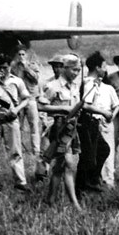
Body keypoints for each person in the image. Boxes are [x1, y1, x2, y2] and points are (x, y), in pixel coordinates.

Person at [38, 54, 83, 211]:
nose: (76, 73)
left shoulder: (76, 86)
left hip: (72, 128)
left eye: (78, 70)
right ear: (65, 68)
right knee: (70, 164)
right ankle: (75, 204)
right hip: (58, 129)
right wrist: (62, 109)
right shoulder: (53, 86)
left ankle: (50, 199)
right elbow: (41, 106)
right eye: (73, 70)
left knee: (60, 166)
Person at [76, 51, 119, 193]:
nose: (105, 70)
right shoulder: (89, 83)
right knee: (89, 156)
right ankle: (85, 184)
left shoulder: (96, 83)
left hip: (94, 123)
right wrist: (104, 112)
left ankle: (91, 181)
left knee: (101, 151)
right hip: (89, 123)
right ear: (97, 68)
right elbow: (86, 105)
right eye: (104, 66)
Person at [0, 54, 31, 192]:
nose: (2, 70)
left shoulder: (17, 81)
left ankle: (20, 182)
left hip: (11, 118)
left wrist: (17, 110)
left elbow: (26, 99)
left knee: (15, 152)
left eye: (5, 67)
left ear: (9, 66)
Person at [36, 54, 64, 181]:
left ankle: (59, 174)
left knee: (61, 150)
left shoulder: (68, 84)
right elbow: (42, 103)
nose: (57, 69)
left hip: (63, 120)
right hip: (50, 119)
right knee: (45, 148)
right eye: (55, 66)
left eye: (59, 66)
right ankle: (41, 174)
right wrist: (43, 120)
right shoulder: (49, 84)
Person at [10, 46, 41, 159]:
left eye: (23, 54)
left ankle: (36, 151)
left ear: (26, 55)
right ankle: (19, 149)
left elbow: (36, 79)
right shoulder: (14, 67)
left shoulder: (33, 65)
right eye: (19, 54)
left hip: (31, 99)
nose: (21, 56)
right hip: (20, 100)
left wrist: (26, 68)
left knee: (34, 126)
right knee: (19, 126)